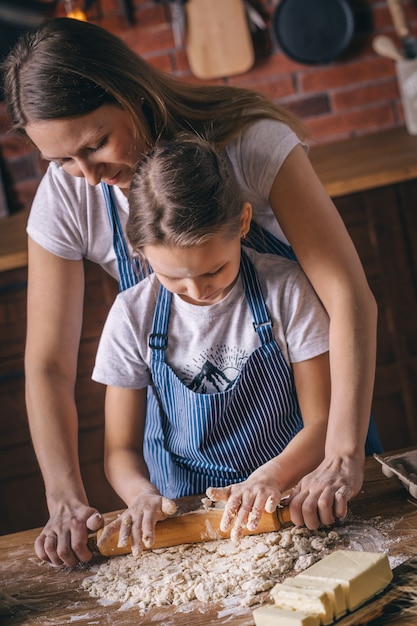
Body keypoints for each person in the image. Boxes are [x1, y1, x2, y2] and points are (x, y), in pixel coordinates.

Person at [2, 16, 378, 568]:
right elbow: (49, 365)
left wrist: (341, 453)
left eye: (97, 143)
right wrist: (64, 497)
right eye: (60, 160)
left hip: (307, 462)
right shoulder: (71, 194)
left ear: (129, 91)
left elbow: (348, 296)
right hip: (185, 487)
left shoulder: (249, 142)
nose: (84, 174)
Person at [93, 134, 331, 555]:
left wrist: (273, 476)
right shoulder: (132, 315)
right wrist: (140, 495)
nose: (195, 291)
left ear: (242, 222)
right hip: (186, 516)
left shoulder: (286, 290)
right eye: (172, 277)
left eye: (214, 270)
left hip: (286, 501)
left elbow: (323, 420)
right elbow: (120, 449)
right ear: (141, 251)